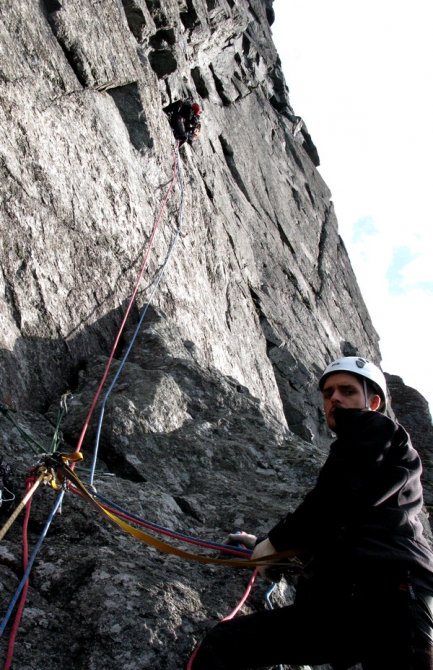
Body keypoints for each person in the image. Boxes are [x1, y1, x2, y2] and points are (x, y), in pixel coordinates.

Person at [191, 356, 433, 669]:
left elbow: (337, 498)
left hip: (391, 593)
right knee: (228, 643)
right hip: (367, 600)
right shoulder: (367, 453)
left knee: (227, 644)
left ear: (373, 402)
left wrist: (275, 543)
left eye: (347, 391)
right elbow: (346, 522)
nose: (334, 398)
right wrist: (279, 551)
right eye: (328, 392)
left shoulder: (376, 427)